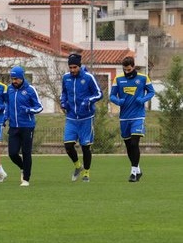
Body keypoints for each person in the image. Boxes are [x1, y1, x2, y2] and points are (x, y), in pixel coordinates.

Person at [109, 56, 155, 182]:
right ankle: (138, 170)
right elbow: (112, 96)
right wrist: (118, 101)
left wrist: (143, 99)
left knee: (135, 143)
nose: (127, 72)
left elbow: (151, 92)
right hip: (124, 117)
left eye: (129, 69)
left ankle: (133, 173)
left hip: (138, 116)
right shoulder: (118, 79)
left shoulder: (143, 78)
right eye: (125, 70)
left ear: (133, 67)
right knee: (129, 146)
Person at [60, 53, 103, 182]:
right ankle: (78, 166)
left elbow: (99, 94)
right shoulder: (66, 78)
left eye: (75, 67)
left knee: (85, 147)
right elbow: (64, 93)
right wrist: (63, 102)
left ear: (79, 66)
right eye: (70, 67)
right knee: (68, 145)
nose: (72, 70)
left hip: (86, 118)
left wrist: (88, 100)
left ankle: (86, 173)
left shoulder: (88, 77)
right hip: (71, 117)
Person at [6, 66, 43, 187]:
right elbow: (8, 105)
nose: (14, 81)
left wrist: (29, 110)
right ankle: (23, 167)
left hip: (27, 126)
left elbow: (39, 107)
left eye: (16, 78)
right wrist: (5, 117)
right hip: (13, 126)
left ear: (22, 77)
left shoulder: (30, 90)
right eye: (12, 79)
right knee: (12, 153)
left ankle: (26, 179)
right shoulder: (9, 89)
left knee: (26, 152)